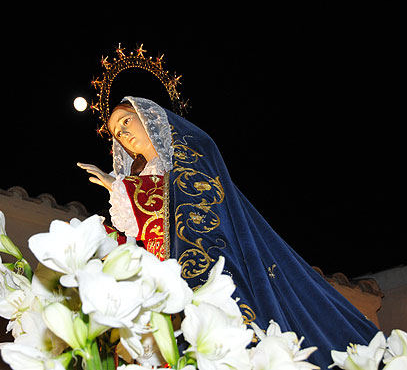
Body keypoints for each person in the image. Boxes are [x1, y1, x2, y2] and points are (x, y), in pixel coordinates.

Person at [78, 96, 378, 369]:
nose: (123, 133)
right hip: (166, 280)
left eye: (126, 121)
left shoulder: (192, 151)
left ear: (150, 118)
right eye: (117, 133)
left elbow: (188, 200)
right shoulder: (138, 179)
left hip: (208, 258)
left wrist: (121, 188)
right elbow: (144, 231)